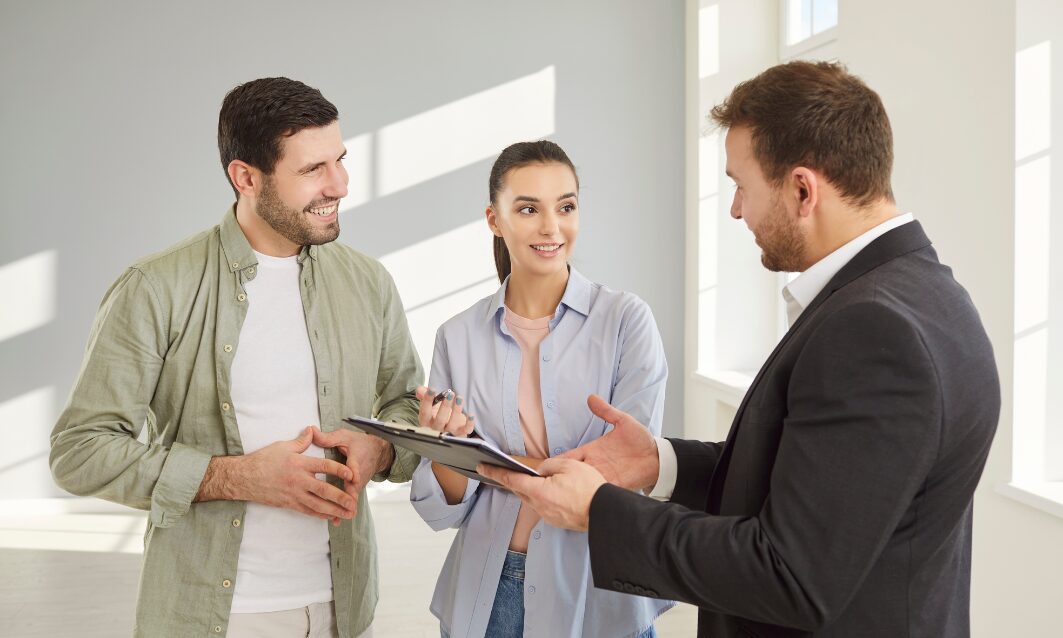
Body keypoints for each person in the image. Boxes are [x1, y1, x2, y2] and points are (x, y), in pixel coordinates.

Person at [480, 61, 1001, 638]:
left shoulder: (873, 329)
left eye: (741, 186)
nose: (735, 210)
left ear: (802, 190)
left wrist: (599, 510)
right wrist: (661, 463)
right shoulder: (929, 294)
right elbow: (817, 480)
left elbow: (788, 573)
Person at [49, 77, 423, 638]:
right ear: (246, 177)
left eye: (340, 160)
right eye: (312, 169)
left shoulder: (368, 282)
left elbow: (405, 406)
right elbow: (80, 452)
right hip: (214, 617)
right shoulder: (156, 287)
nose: (340, 184)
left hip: (345, 607)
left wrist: (380, 450)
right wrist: (238, 477)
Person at [409, 140, 674, 638]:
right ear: (494, 218)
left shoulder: (626, 321)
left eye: (566, 207)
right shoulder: (457, 335)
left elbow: (627, 469)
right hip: (487, 594)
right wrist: (445, 451)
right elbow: (442, 510)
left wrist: (488, 462)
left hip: (600, 595)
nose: (552, 227)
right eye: (528, 209)